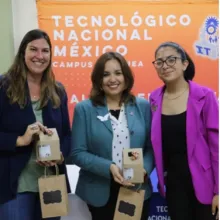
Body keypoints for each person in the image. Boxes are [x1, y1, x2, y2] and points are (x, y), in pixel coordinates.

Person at [70, 51, 154, 220]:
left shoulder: (143, 106)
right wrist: (109, 167)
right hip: (99, 191)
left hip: (136, 187)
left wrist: (143, 169)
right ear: (99, 81)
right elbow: (78, 153)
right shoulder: (84, 109)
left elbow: (151, 148)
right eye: (106, 74)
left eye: (118, 73)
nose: (112, 79)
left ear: (126, 77)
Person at [0, 29, 71, 220]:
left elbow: (67, 136)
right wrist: (20, 140)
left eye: (45, 51)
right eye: (33, 49)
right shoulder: (3, 86)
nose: (39, 56)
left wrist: (60, 156)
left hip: (50, 183)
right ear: (23, 52)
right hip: (14, 185)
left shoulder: (58, 91)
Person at [150, 41, 219, 220]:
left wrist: (219, 190)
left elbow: (216, 147)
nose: (165, 66)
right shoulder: (154, 98)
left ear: (185, 63)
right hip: (173, 184)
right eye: (160, 62)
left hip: (205, 184)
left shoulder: (205, 96)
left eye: (171, 60)